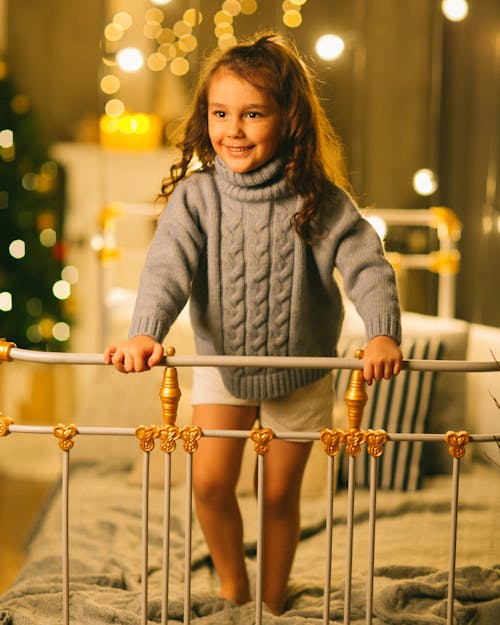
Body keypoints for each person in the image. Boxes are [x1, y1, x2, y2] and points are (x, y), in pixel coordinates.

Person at [105, 32, 403, 615]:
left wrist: (383, 331)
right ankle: (231, 582)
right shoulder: (196, 200)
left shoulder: (320, 200)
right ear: (205, 117)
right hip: (222, 363)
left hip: (303, 367)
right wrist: (148, 330)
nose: (233, 130)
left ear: (288, 119)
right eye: (220, 113)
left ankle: (270, 598)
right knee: (211, 484)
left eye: (252, 114)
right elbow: (166, 268)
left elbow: (369, 265)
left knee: (278, 495)